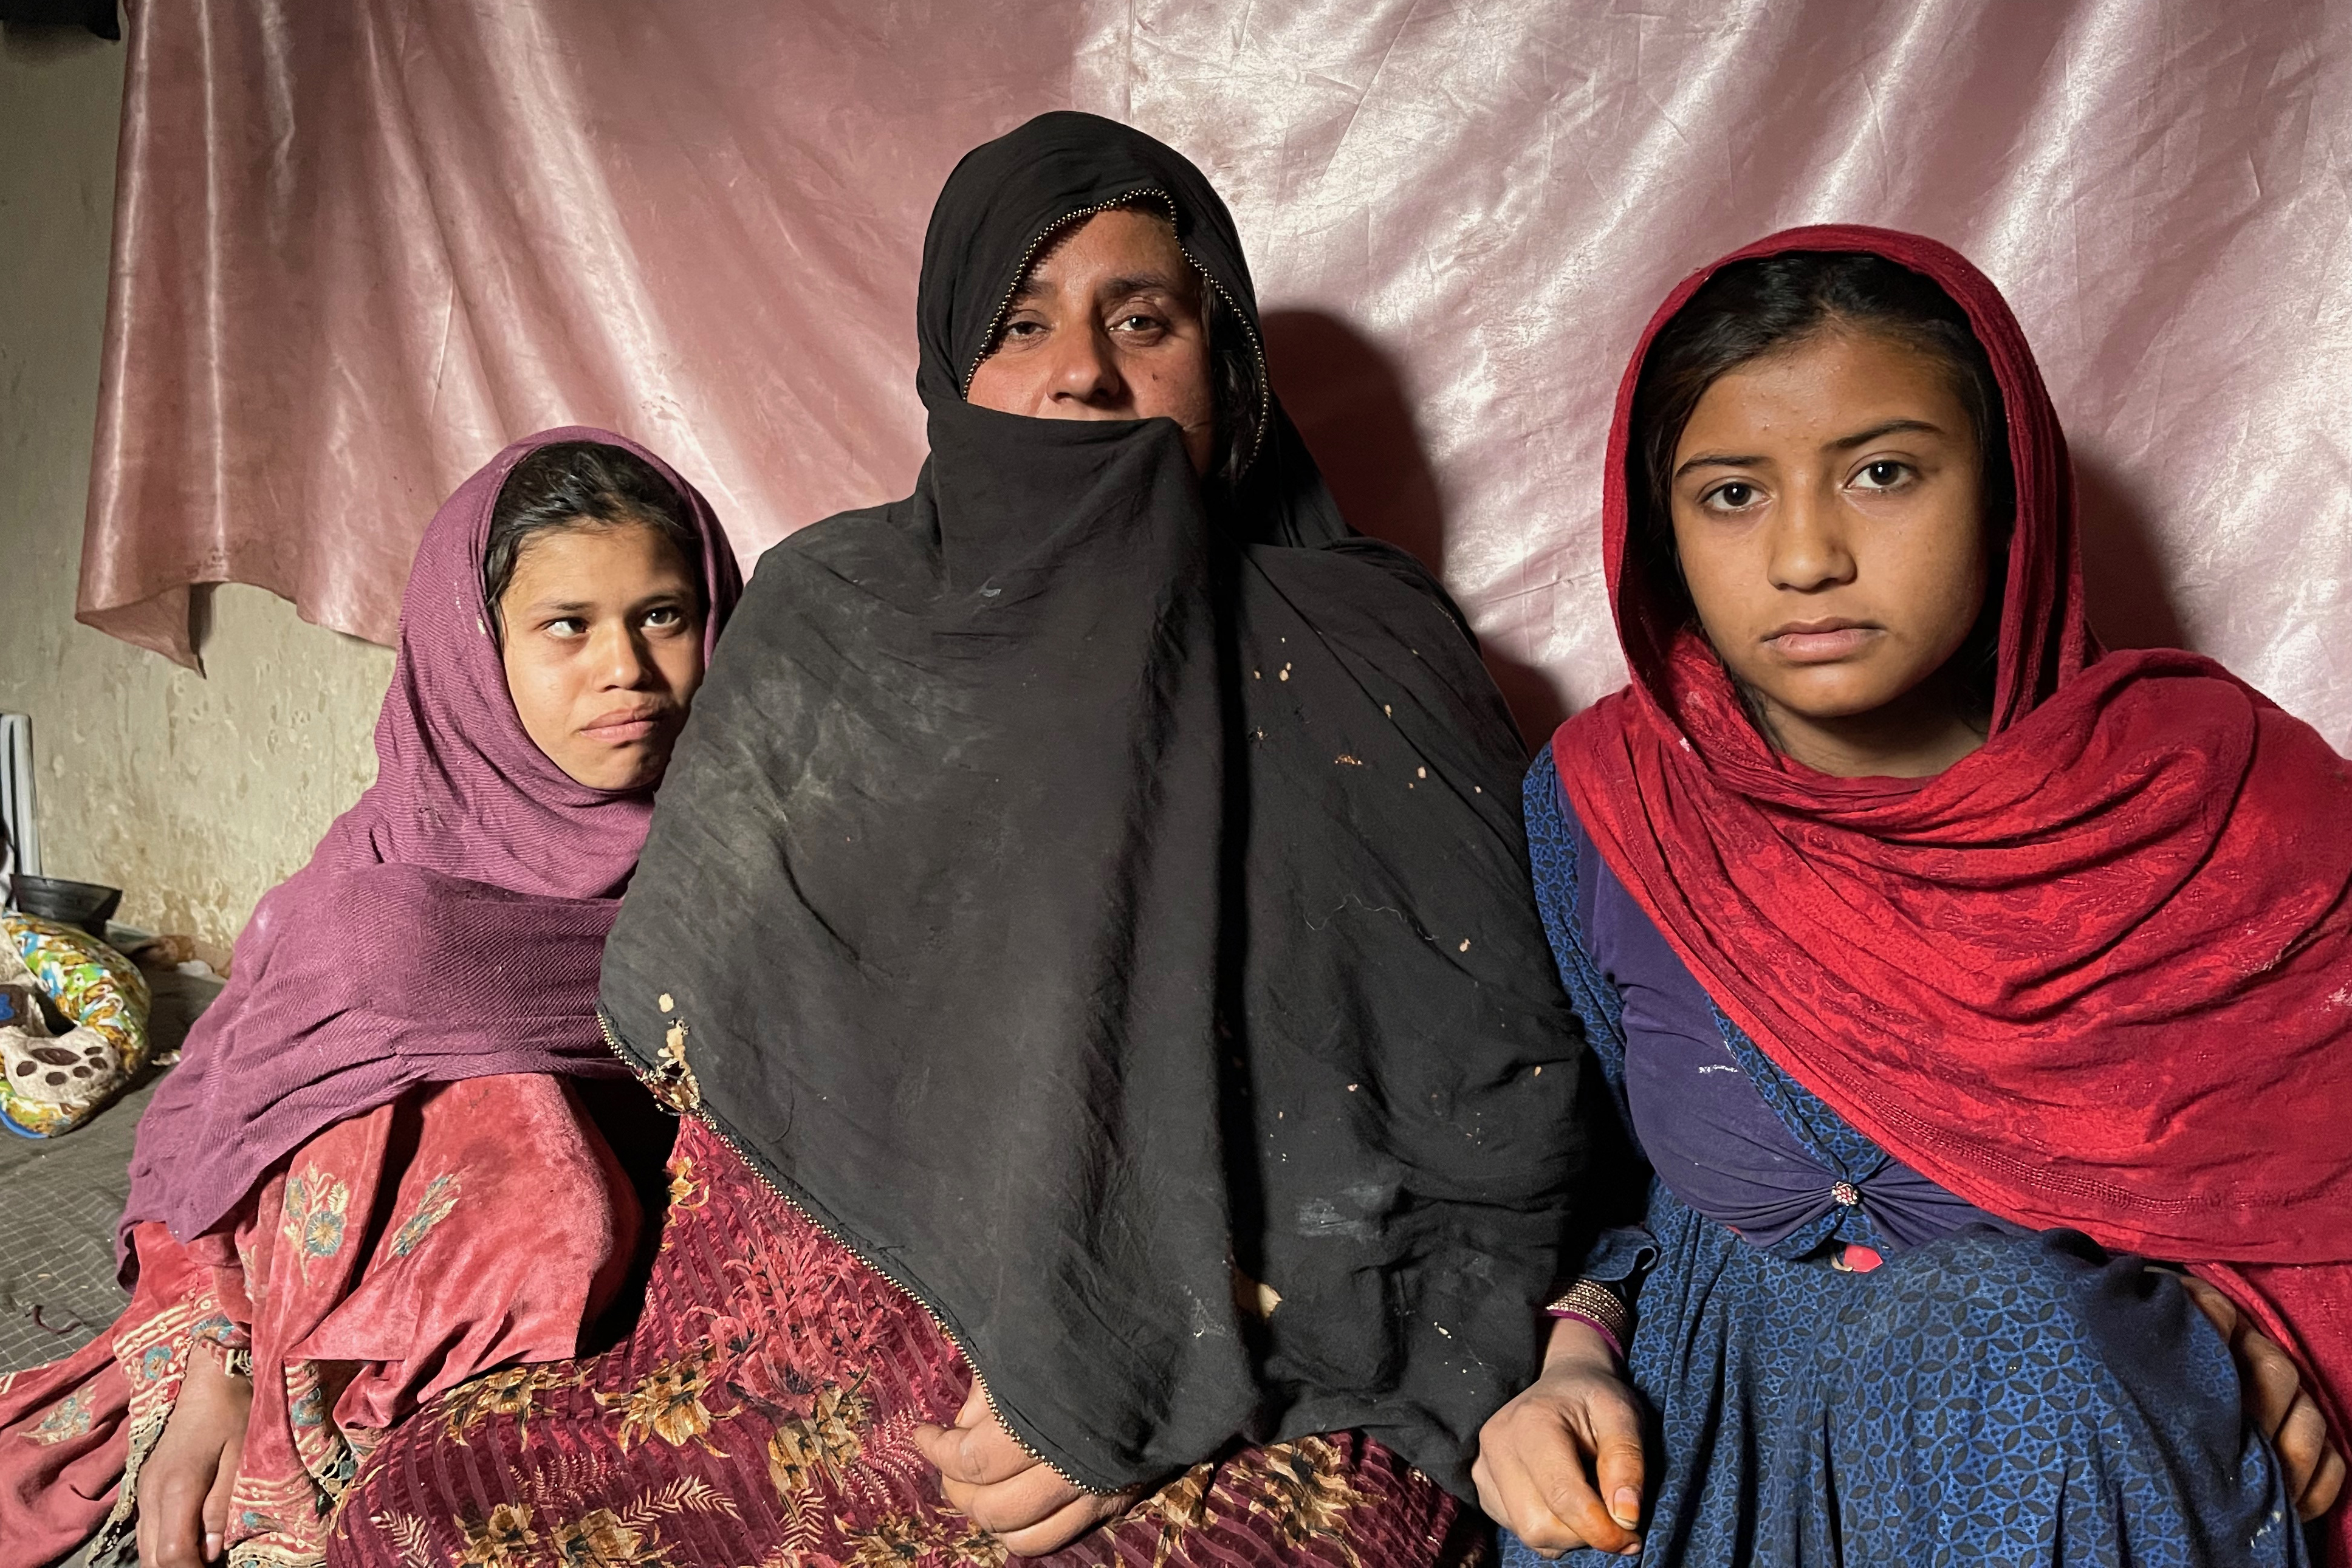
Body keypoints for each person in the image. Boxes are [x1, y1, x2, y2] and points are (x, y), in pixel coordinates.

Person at [327, 112, 1593, 1567]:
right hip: (808, 1362)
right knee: (419, 1509)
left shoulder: (1365, 654)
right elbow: (724, 1056)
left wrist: (1153, 1353)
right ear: (948, 365)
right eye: (1018, 325)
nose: (1082, 373)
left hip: (1239, 1370)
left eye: (1144, 319)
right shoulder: (831, 616)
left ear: (1228, 360)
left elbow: (1500, 1123)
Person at [1473, 228, 2352, 1566]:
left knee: (2014, 1328)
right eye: (1731, 493)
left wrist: (2252, 1314)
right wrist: (1575, 1354)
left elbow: (2310, 1194)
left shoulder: (2222, 813)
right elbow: (1615, 1170)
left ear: (2006, 490)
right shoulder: (1612, 807)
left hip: (2060, 1476)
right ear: (1660, 529)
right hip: (1692, 1459)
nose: (1806, 555)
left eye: (1882, 473)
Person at [0, 430, 741, 1568]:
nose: (626, 669)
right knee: (541, 1188)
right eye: (566, 625)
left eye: (663, 615)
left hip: (643, 1257)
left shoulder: (745, 840)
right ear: (472, 650)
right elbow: (233, 1113)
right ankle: (339, 1437)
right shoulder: (386, 898)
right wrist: (225, 1356)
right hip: (394, 1305)